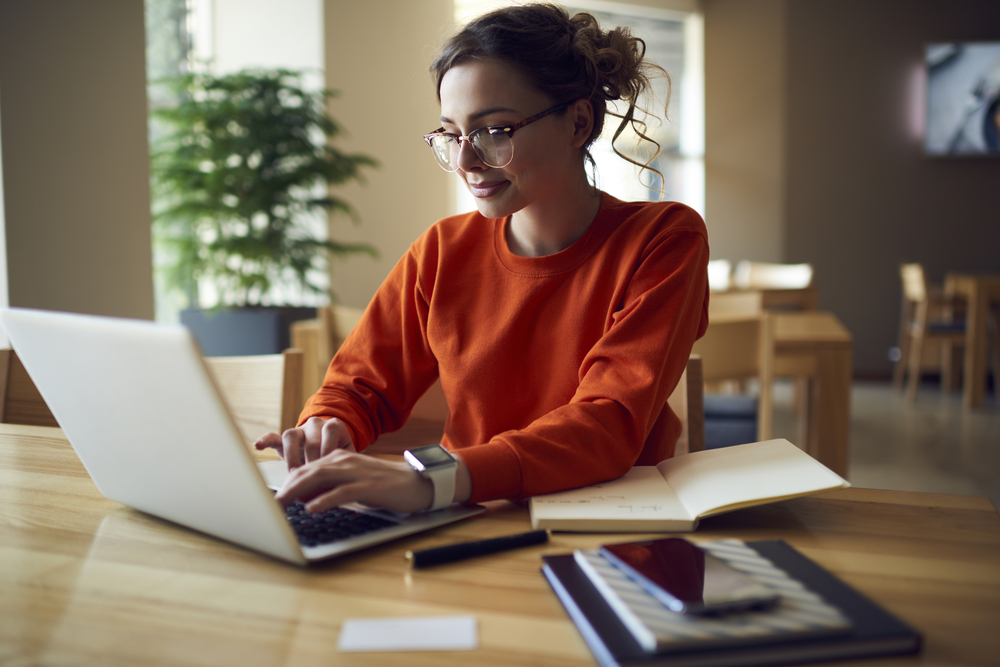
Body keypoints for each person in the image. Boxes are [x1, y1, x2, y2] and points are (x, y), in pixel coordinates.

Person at [255, 2, 710, 515]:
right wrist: (326, 425)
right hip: (466, 518)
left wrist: (431, 480)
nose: (466, 161)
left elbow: (605, 425)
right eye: (451, 134)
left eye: (495, 131)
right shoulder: (441, 251)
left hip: (611, 526)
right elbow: (356, 387)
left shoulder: (664, 239)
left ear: (578, 122)